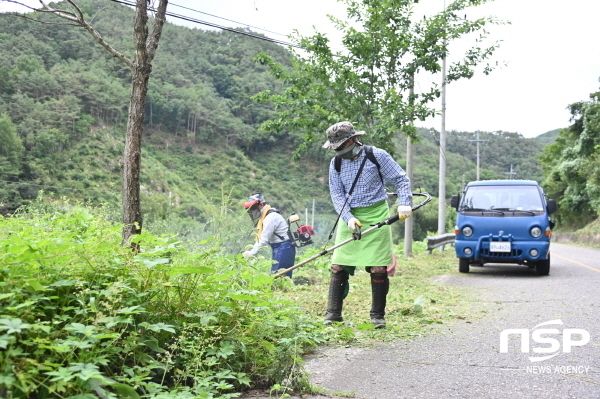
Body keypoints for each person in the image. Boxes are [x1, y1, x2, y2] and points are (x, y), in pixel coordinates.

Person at [322, 121, 413, 328]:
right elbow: (336, 194)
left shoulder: (377, 155)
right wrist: (348, 218)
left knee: (379, 268)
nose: (337, 151)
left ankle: (377, 316)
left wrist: (404, 204)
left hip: (377, 214)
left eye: (340, 146)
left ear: (353, 140)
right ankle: (333, 313)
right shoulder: (335, 164)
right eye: (334, 148)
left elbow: (401, 179)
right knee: (338, 265)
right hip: (351, 216)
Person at [242, 193, 296, 278]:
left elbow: (264, 238)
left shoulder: (271, 217)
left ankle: (284, 290)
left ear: (261, 204)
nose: (252, 211)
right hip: (278, 247)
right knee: (276, 274)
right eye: (250, 209)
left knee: (280, 276)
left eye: (253, 208)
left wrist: (252, 252)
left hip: (284, 247)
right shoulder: (266, 216)